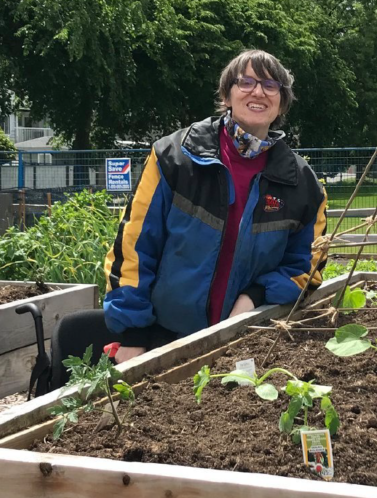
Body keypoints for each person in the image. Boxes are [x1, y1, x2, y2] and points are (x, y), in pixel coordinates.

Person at [103, 49, 327, 364]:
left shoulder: (303, 185)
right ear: (226, 95)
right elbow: (135, 249)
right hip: (163, 339)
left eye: (271, 85)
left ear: (281, 102)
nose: (258, 91)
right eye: (246, 82)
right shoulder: (174, 158)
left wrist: (256, 296)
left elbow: (308, 266)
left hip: (244, 343)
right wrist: (131, 335)